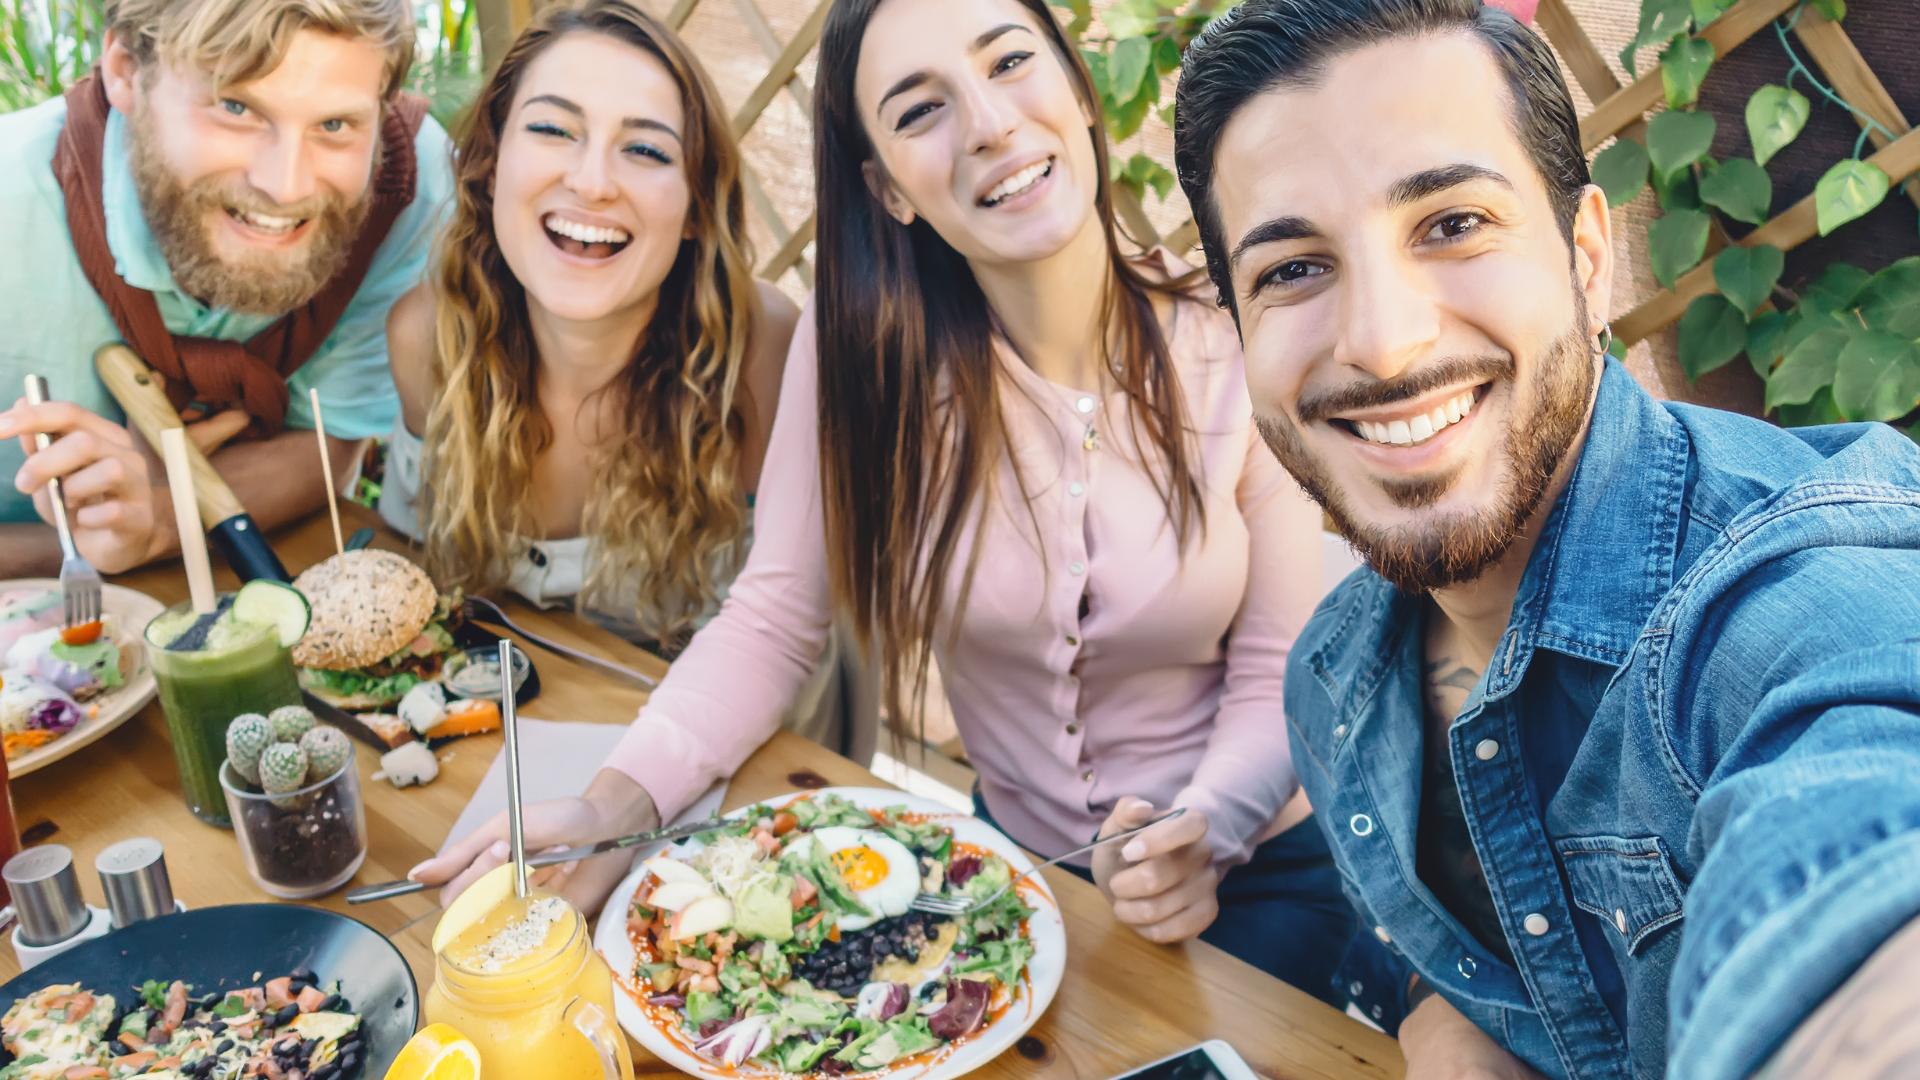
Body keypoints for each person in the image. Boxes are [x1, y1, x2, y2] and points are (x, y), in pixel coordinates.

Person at [416, 0, 1353, 999]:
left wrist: (1200, 829)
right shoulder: (860, 353)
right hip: (1015, 882)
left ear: (1081, 93)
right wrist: (616, 805)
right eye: (919, 111)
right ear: (889, 189)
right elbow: (774, 617)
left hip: (1262, 871)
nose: (988, 123)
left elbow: (1282, 669)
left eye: (1008, 63)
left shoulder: (1233, 331)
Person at [1174, 0, 1920, 1077]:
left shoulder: (1780, 592)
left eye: (1452, 224)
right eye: (1292, 268)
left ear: (1585, 253)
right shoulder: (1332, 683)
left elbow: (1864, 821)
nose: (1383, 346)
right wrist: (1444, 1023)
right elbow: (1456, 954)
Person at [377, 0, 800, 661]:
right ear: (491, 166)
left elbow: (797, 636)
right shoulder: (428, 336)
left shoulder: (760, 359)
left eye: (645, 149)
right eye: (553, 129)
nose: (592, 182)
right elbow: (410, 573)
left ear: (694, 206)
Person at [0, 0, 451, 578]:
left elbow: (331, 445)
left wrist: (159, 520)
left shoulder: (406, 186)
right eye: (236, 107)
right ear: (125, 71)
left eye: (334, 125)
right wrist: (83, 549)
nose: (285, 187)